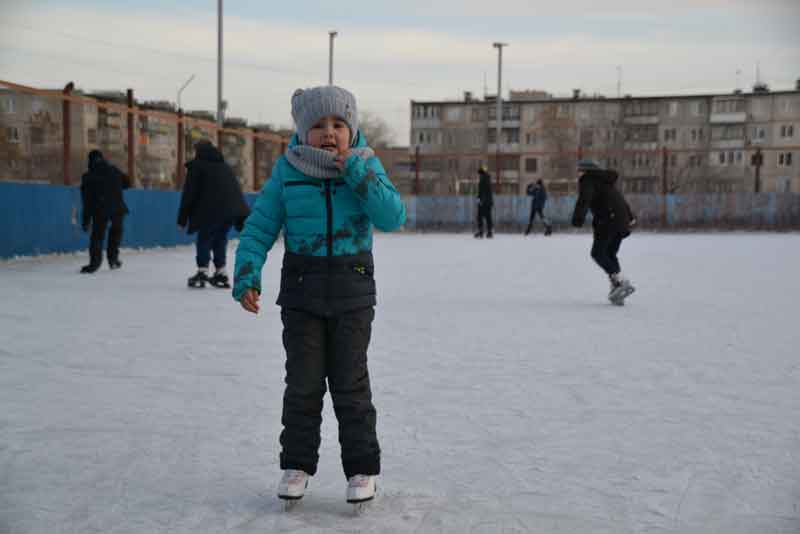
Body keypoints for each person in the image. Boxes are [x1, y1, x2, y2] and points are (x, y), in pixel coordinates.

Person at [232, 86, 406, 507]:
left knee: (351, 383)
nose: (329, 133)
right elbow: (259, 227)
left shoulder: (365, 165)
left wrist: (358, 177)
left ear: (352, 130)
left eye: (339, 124)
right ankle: (297, 465)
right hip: (302, 291)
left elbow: (393, 216)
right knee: (304, 384)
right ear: (302, 131)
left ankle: (362, 469)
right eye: (318, 125)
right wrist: (247, 273)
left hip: (353, 288)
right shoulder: (288, 171)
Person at [177, 141, 250, 289]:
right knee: (219, 238)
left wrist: (182, 219)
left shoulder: (198, 166)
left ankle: (202, 271)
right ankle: (220, 272)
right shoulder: (225, 167)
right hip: (231, 211)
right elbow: (235, 192)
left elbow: (189, 194)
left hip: (211, 211)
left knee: (205, 237)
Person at [571, 159, 637, 305]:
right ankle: (617, 287)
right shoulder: (606, 181)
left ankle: (620, 281)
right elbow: (621, 200)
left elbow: (584, 200)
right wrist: (630, 217)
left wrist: (577, 218)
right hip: (621, 221)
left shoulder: (588, 180)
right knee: (610, 254)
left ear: (586, 171)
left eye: (580, 171)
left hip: (608, 221)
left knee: (598, 253)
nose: (578, 174)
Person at [79, 150, 131, 273]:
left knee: (97, 237)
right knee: (115, 234)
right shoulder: (113, 170)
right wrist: (115, 185)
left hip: (99, 210)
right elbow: (127, 183)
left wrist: (86, 221)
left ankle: (94, 264)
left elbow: (86, 202)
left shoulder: (88, 176)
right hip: (117, 209)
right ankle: (113, 260)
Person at [475, 165, 494, 238]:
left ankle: (482, 231)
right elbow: (482, 191)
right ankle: (488, 232)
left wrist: (481, 200)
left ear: (482, 173)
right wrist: (479, 198)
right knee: (487, 216)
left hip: (485, 201)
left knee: (481, 216)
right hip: (486, 201)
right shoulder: (486, 178)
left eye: (479, 173)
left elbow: (484, 191)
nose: (479, 175)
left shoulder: (484, 179)